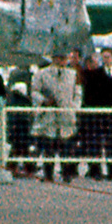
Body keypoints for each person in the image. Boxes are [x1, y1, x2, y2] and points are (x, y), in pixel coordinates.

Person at [31, 52, 81, 182]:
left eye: (64, 58)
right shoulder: (41, 74)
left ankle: (67, 173)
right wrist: (43, 101)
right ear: (54, 58)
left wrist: (74, 108)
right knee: (49, 146)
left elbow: (78, 92)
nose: (63, 61)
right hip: (49, 116)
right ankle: (48, 174)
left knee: (67, 147)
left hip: (66, 115)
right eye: (60, 58)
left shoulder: (72, 74)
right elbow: (34, 91)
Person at [81, 48, 112, 179]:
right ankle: (95, 171)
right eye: (104, 57)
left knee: (111, 143)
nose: (106, 60)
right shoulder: (95, 74)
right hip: (98, 114)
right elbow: (90, 93)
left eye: (108, 57)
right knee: (96, 143)